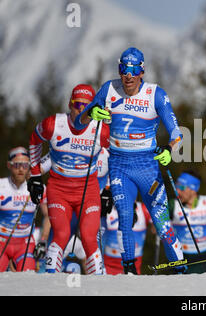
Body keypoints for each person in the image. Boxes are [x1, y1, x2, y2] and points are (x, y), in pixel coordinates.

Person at [74, 47, 185, 274]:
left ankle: (180, 268)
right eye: (124, 69)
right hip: (119, 166)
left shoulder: (156, 94)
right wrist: (91, 112)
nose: (129, 75)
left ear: (142, 72)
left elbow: (177, 133)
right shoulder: (109, 89)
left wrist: (169, 150)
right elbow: (79, 123)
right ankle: (129, 271)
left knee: (161, 223)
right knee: (124, 216)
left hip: (147, 167)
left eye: (134, 70)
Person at [28, 84, 109, 274]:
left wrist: (109, 190)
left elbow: (117, 158)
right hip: (59, 190)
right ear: (70, 104)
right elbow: (34, 140)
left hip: (87, 191)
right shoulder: (53, 124)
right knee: (62, 234)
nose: (82, 110)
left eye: (87, 106)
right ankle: (51, 281)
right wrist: (35, 176)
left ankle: (98, 285)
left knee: (90, 238)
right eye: (78, 105)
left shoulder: (101, 129)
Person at [0, 147, 48, 272]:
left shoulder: (38, 188)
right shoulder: (1, 186)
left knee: (27, 279)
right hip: (2, 242)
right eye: (17, 165)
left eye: (25, 165)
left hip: (25, 245)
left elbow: (48, 216)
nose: (21, 169)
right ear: (9, 165)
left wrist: (43, 241)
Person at [102, 201, 152, 275]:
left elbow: (156, 228)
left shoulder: (143, 208)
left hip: (133, 266)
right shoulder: (108, 209)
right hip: (109, 266)